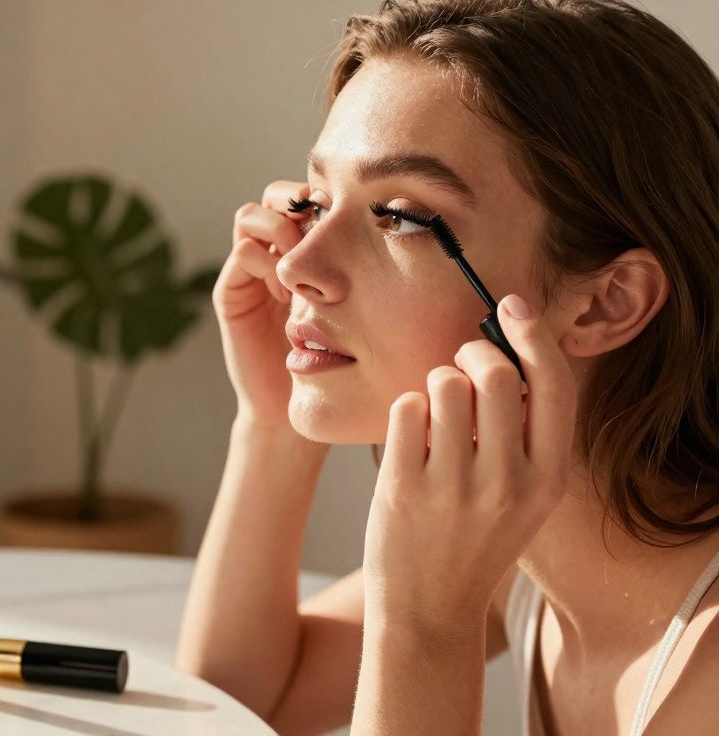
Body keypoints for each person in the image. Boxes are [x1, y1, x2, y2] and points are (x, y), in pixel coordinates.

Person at [174, 1, 719, 734]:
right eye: (316, 200)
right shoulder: (527, 565)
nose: (298, 265)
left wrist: (429, 627)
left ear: (605, 305)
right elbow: (244, 705)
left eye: (399, 215)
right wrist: (274, 423)